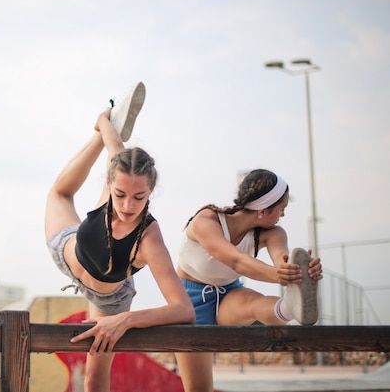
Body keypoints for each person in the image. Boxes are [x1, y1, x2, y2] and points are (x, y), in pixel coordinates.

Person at [45, 82, 195, 392]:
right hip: (68, 250)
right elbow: (117, 149)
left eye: (139, 197)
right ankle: (104, 121)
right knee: (59, 193)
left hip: (109, 298)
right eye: (120, 194)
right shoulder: (115, 177)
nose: (128, 206)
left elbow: (183, 309)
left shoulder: (149, 239)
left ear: (150, 191)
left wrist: (125, 320)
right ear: (110, 182)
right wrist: (103, 123)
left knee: (95, 378)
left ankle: (105, 122)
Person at [174, 168, 323, 392]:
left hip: (229, 294)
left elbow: (280, 262)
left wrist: (296, 273)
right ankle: (290, 302)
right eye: (281, 209)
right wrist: (281, 276)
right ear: (262, 211)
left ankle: (290, 306)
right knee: (198, 389)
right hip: (189, 300)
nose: (282, 215)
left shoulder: (273, 233)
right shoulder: (205, 221)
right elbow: (236, 262)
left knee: (253, 301)